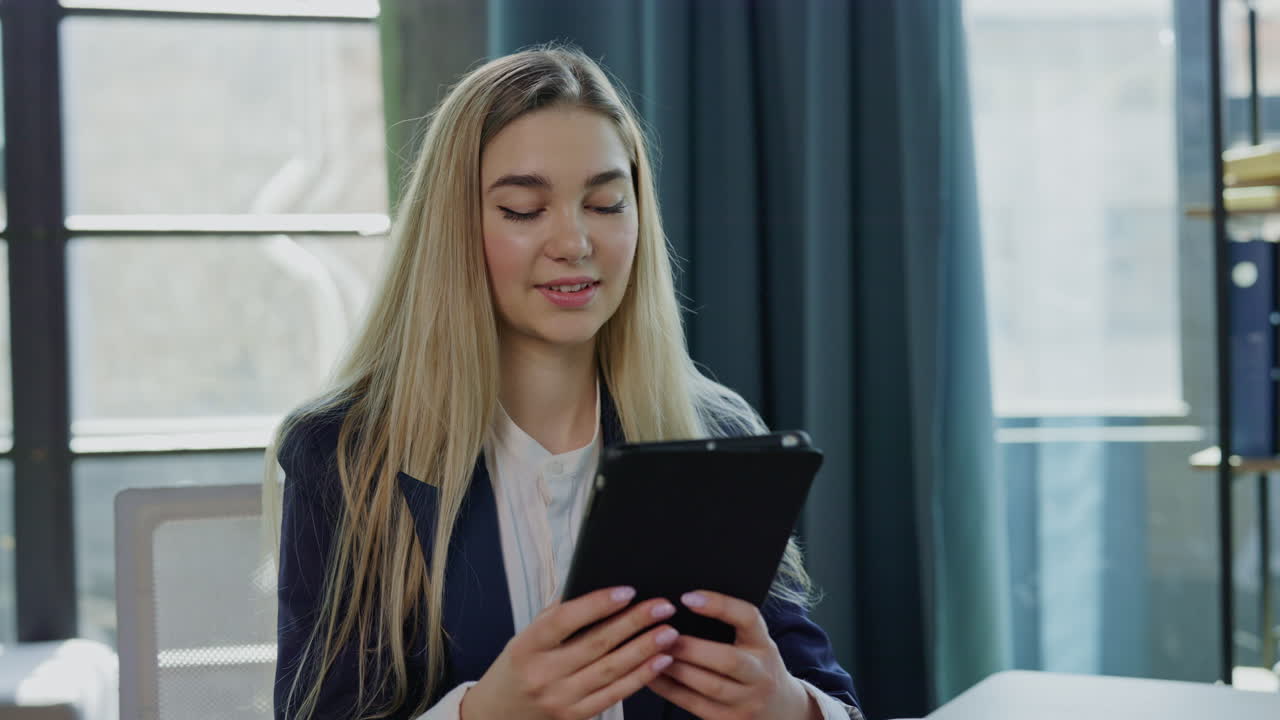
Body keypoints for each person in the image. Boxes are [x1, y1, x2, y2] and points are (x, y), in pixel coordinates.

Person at [268, 44, 862, 720]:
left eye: (606, 203)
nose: (575, 242)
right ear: (453, 229)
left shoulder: (717, 431)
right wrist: (481, 715)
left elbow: (830, 696)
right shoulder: (345, 455)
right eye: (524, 210)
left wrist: (788, 706)